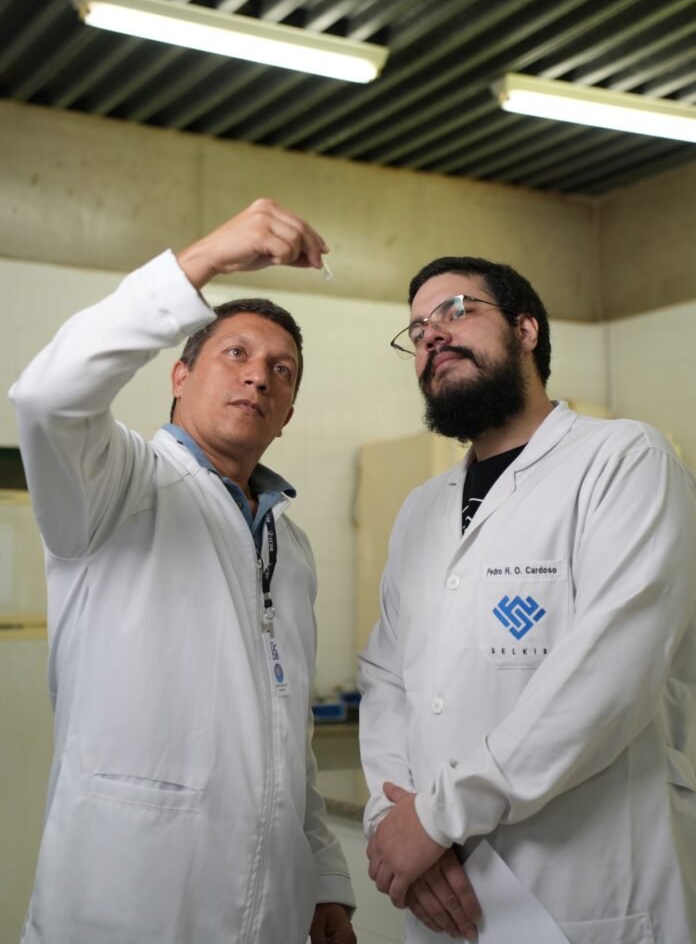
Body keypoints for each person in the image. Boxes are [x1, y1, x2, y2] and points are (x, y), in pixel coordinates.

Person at [10, 198, 356, 944]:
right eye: (236, 354)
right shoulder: (116, 484)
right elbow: (46, 397)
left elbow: (283, 731)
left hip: (271, 909)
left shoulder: (287, 546)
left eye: (281, 370)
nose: (259, 377)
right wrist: (199, 263)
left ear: (288, 410)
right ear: (178, 373)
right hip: (124, 905)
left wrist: (323, 877)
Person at [358, 255, 696, 943]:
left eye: (456, 310)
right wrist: (391, 819)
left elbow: (607, 677)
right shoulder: (422, 509)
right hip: (438, 887)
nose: (430, 336)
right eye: (417, 329)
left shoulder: (624, 460)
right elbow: (388, 681)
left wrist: (435, 818)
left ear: (526, 328)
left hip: (582, 890)